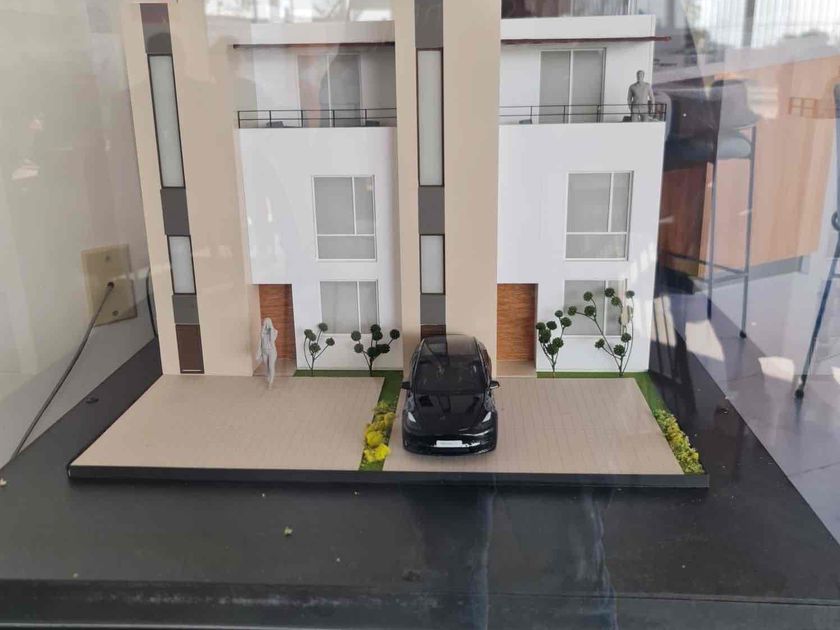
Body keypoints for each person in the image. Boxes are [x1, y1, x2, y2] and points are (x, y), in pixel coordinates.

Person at [256, 318, 278, 386]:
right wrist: (263, 328)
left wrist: (271, 328)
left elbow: (272, 339)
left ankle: (271, 381)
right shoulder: (262, 332)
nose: (265, 325)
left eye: (266, 323)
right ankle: (269, 376)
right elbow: (261, 340)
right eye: (264, 323)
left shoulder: (275, 331)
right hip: (264, 351)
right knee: (267, 366)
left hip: (272, 352)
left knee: (271, 366)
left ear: (270, 323)